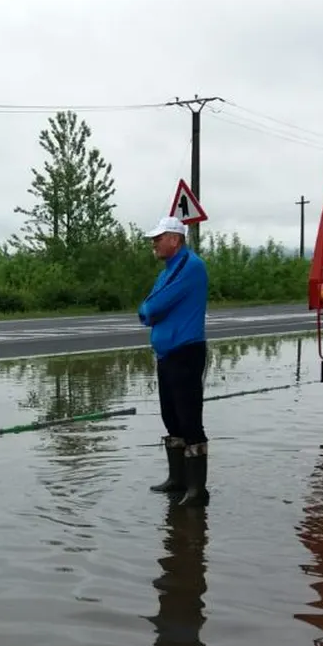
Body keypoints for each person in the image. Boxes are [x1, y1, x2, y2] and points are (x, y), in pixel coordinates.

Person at [138, 216, 209, 507]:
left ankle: (197, 491)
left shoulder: (189, 266)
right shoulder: (168, 270)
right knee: (171, 416)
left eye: (158, 238)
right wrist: (148, 310)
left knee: (189, 418)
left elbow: (153, 305)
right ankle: (177, 479)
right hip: (167, 354)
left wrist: (148, 310)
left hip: (185, 351)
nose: (154, 244)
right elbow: (150, 308)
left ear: (175, 240)